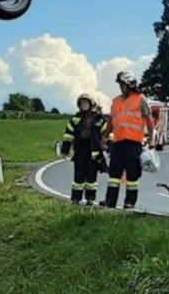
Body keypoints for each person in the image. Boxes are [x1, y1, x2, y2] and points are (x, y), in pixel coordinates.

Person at [102, 71, 153, 210]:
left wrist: (152, 139)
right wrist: (105, 136)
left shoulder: (140, 99)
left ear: (130, 85)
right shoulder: (116, 101)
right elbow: (111, 121)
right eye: (120, 85)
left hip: (133, 143)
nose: (121, 87)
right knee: (114, 175)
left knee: (132, 175)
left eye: (123, 84)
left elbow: (149, 120)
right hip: (117, 143)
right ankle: (110, 201)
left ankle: (129, 202)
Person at [60, 93, 106, 206]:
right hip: (80, 149)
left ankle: (90, 198)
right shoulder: (75, 118)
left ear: (91, 104)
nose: (83, 105)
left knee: (91, 176)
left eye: (85, 103)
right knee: (78, 175)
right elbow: (68, 134)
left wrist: (110, 146)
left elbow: (106, 132)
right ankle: (76, 198)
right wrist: (65, 149)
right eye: (81, 103)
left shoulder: (99, 118)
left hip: (94, 151)